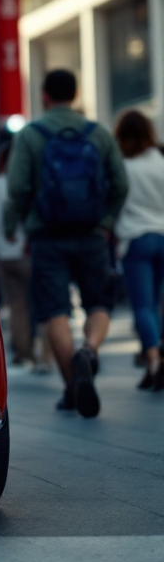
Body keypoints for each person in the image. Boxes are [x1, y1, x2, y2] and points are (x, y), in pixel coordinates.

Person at [6, 69, 128, 418]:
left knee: (55, 311)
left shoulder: (30, 135)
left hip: (47, 235)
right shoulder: (99, 134)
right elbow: (120, 184)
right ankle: (89, 350)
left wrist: (13, 226)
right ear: (75, 94)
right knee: (98, 302)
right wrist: (105, 223)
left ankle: (72, 387)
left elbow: (17, 188)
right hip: (91, 234)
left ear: (45, 96)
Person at [113, 109, 164, 391]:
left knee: (142, 306)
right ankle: (152, 360)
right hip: (163, 236)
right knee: (154, 305)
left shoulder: (123, 167)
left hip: (136, 239)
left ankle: (154, 360)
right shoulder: (160, 161)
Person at [0, 144, 33, 367]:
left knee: (15, 305)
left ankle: (23, 352)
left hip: (2, 252)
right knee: (36, 302)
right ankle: (43, 351)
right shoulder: (28, 184)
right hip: (27, 249)